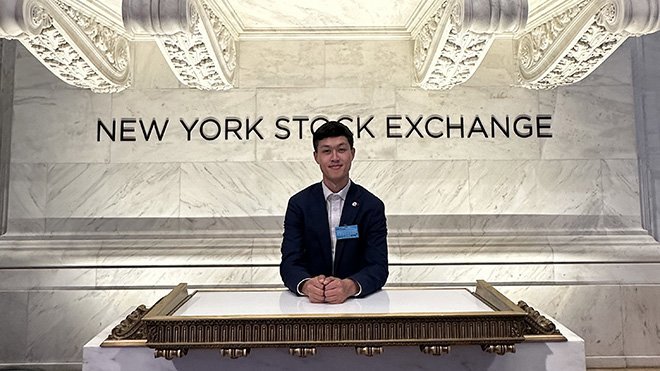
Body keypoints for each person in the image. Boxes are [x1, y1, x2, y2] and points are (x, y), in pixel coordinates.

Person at [280, 121, 388, 304]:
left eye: (341, 149)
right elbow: (290, 263)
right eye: (326, 151)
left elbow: (378, 266)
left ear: (352, 154)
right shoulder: (299, 204)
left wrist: (351, 286)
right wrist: (306, 285)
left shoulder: (371, 206)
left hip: (358, 306)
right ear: (316, 157)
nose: (335, 157)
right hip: (309, 306)